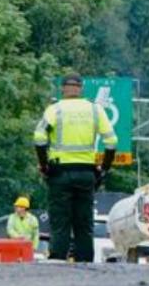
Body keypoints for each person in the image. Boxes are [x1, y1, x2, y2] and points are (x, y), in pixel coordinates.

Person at [33, 74, 117, 262]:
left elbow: (39, 138)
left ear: (63, 88)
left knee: (60, 221)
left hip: (59, 172)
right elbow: (111, 142)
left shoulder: (54, 109)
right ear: (81, 89)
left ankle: (57, 260)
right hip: (87, 172)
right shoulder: (96, 110)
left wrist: (45, 165)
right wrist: (103, 170)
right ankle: (85, 262)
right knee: (84, 222)